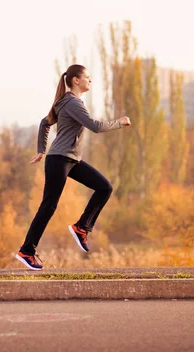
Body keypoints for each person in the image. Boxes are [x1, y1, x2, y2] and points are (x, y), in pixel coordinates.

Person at [15, 64, 131, 270]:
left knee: (104, 187)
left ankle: (81, 228)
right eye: (87, 77)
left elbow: (44, 123)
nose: (90, 80)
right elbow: (95, 126)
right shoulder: (71, 102)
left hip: (70, 159)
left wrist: (42, 149)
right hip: (60, 159)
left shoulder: (66, 101)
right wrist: (119, 122)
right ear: (76, 80)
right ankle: (26, 251)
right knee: (49, 206)